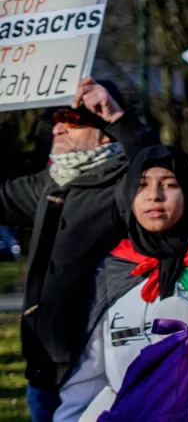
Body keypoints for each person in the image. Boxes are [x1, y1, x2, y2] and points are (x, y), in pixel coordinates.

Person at [55, 102, 188, 422]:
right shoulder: (112, 269)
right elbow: (90, 373)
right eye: (142, 185)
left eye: (169, 184)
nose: (155, 195)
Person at [0, 78, 156, 421]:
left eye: (71, 119)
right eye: (55, 119)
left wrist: (118, 117)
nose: (57, 128)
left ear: (105, 134)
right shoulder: (51, 181)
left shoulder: (127, 182)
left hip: (96, 365)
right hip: (44, 365)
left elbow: (154, 166)